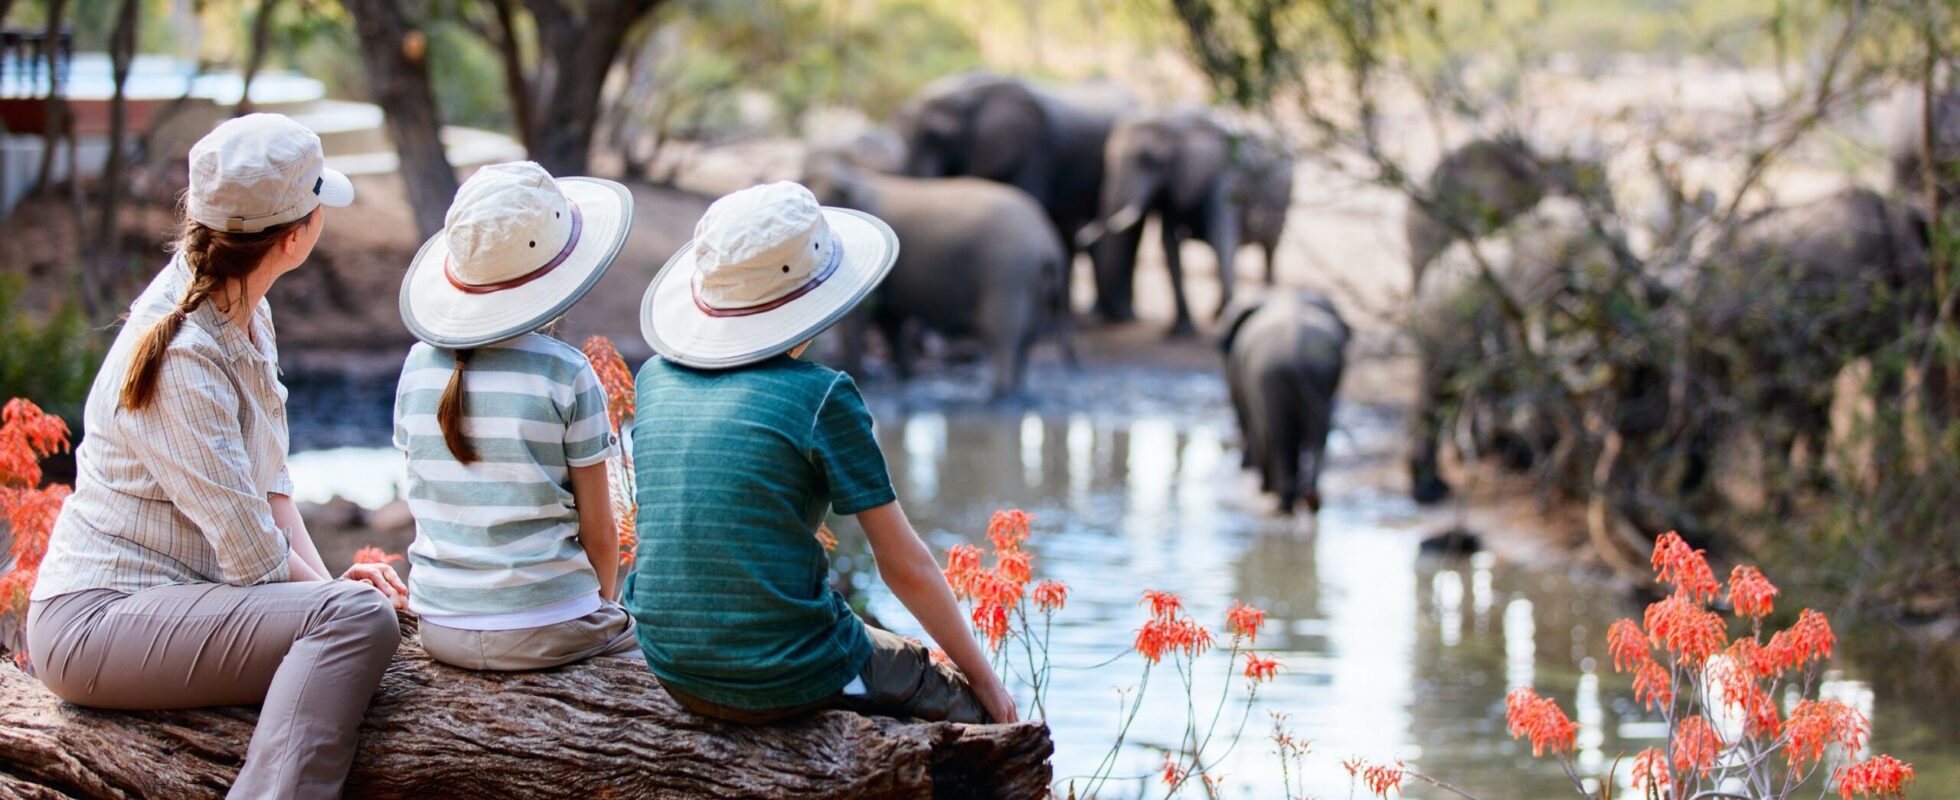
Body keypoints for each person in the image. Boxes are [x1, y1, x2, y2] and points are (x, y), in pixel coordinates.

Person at [26, 114, 405, 799]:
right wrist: (334, 603)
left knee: (350, 610)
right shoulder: (183, 354)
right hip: (97, 622)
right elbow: (254, 559)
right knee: (357, 618)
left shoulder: (243, 307)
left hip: (172, 606)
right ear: (296, 237)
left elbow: (270, 489)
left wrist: (328, 587)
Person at [628, 181, 1017, 725]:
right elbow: (904, 566)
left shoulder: (654, 378)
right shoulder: (821, 394)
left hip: (672, 665)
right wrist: (988, 684)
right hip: (784, 676)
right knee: (963, 703)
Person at [392, 161, 639, 671]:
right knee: (652, 643)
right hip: (548, 626)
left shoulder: (417, 364)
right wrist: (600, 606)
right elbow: (600, 530)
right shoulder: (566, 372)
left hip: (439, 625)